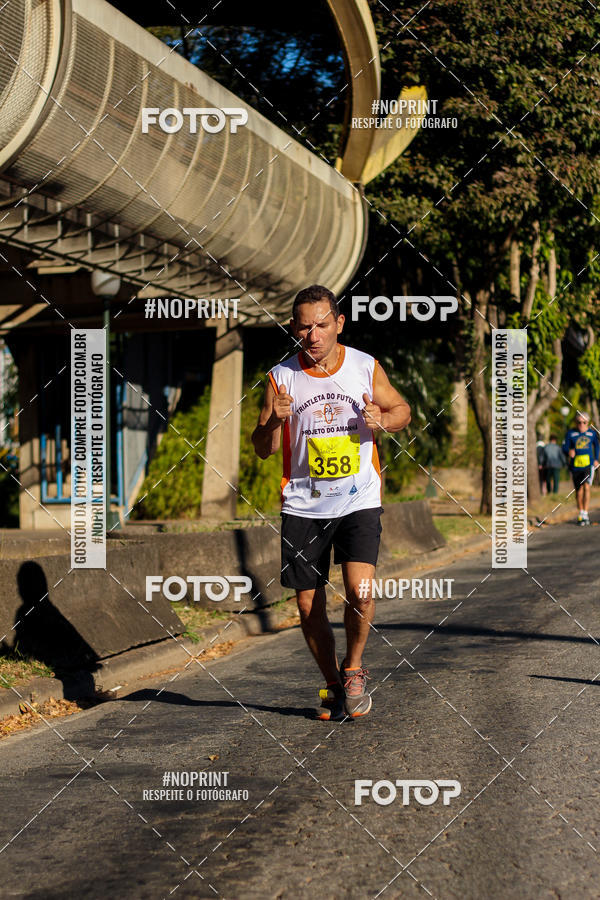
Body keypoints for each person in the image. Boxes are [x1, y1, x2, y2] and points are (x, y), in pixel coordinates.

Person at [252, 284, 411, 720]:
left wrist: (384, 419)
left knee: (361, 591)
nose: (313, 335)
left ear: (338, 322)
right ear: (294, 328)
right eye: (304, 327)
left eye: (322, 324)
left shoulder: (364, 366)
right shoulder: (281, 378)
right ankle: (332, 685)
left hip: (359, 498)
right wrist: (273, 424)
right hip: (303, 505)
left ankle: (354, 667)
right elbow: (261, 447)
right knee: (307, 604)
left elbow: (402, 410)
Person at [562, 412, 600, 525]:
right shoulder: (571, 433)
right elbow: (564, 447)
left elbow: (597, 446)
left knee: (587, 487)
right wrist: (568, 451)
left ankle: (586, 513)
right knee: (579, 491)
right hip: (576, 466)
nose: (581, 424)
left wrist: (596, 459)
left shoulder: (592, 434)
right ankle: (581, 512)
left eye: (584, 422)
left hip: (588, 465)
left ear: (588, 423)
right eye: (579, 422)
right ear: (576, 423)